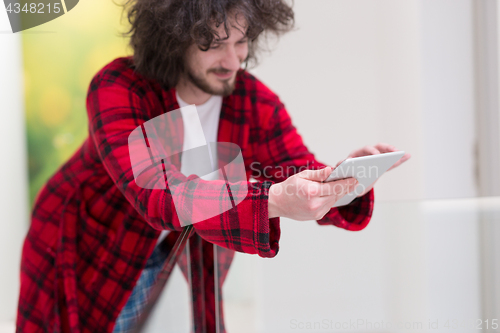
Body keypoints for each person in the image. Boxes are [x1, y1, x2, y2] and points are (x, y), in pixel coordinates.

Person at [16, 0, 411, 332]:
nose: (232, 60)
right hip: (88, 243)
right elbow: (156, 193)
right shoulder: (119, 87)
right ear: (173, 37)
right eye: (213, 44)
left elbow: (293, 168)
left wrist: (345, 177)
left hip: (177, 254)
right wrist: (270, 200)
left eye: (241, 43)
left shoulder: (252, 101)